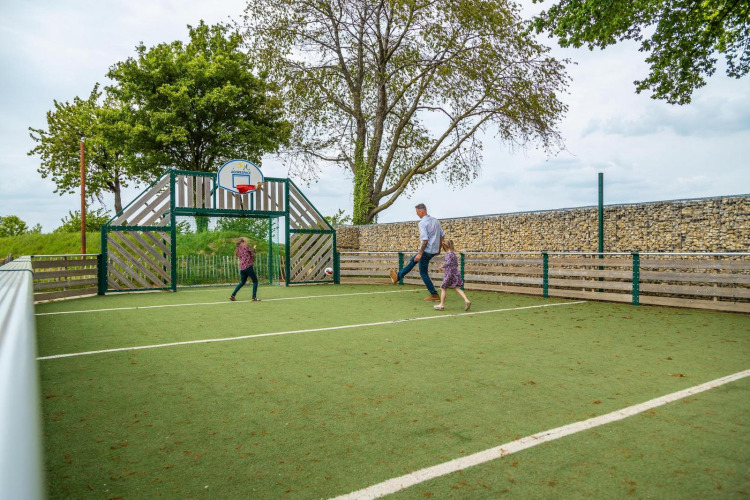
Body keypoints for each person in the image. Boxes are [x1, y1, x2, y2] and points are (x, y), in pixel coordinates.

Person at [388, 203, 444, 301]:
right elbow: (442, 236)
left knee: (423, 273)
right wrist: (438, 249)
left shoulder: (422, 223)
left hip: (426, 250)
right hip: (432, 250)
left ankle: (434, 294)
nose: (417, 214)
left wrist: (420, 253)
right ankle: (397, 277)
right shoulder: (436, 221)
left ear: (421, 211)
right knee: (413, 260)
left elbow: (425, 240)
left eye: (417, 212)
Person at [433, 239, 471, 311]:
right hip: (455, 272)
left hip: (449, 273)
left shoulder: (448, 254)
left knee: (443, 288)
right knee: (457, 287)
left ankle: (441, 305)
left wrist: (442, 266)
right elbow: (455, 264)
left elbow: (448, 263)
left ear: (444, 247)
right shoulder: (453, 254)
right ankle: (466, 300)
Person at [230, 237, 260, 302]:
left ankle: (233, 295)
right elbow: (251, 253)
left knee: (242, 282)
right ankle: (254, 297)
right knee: (255, 281)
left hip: (242, 268)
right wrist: (254, 248)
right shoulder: (245, 246)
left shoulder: (238, 249)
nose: (246, 242)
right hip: (248, 266)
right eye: (246, 241)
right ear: (243, 242)